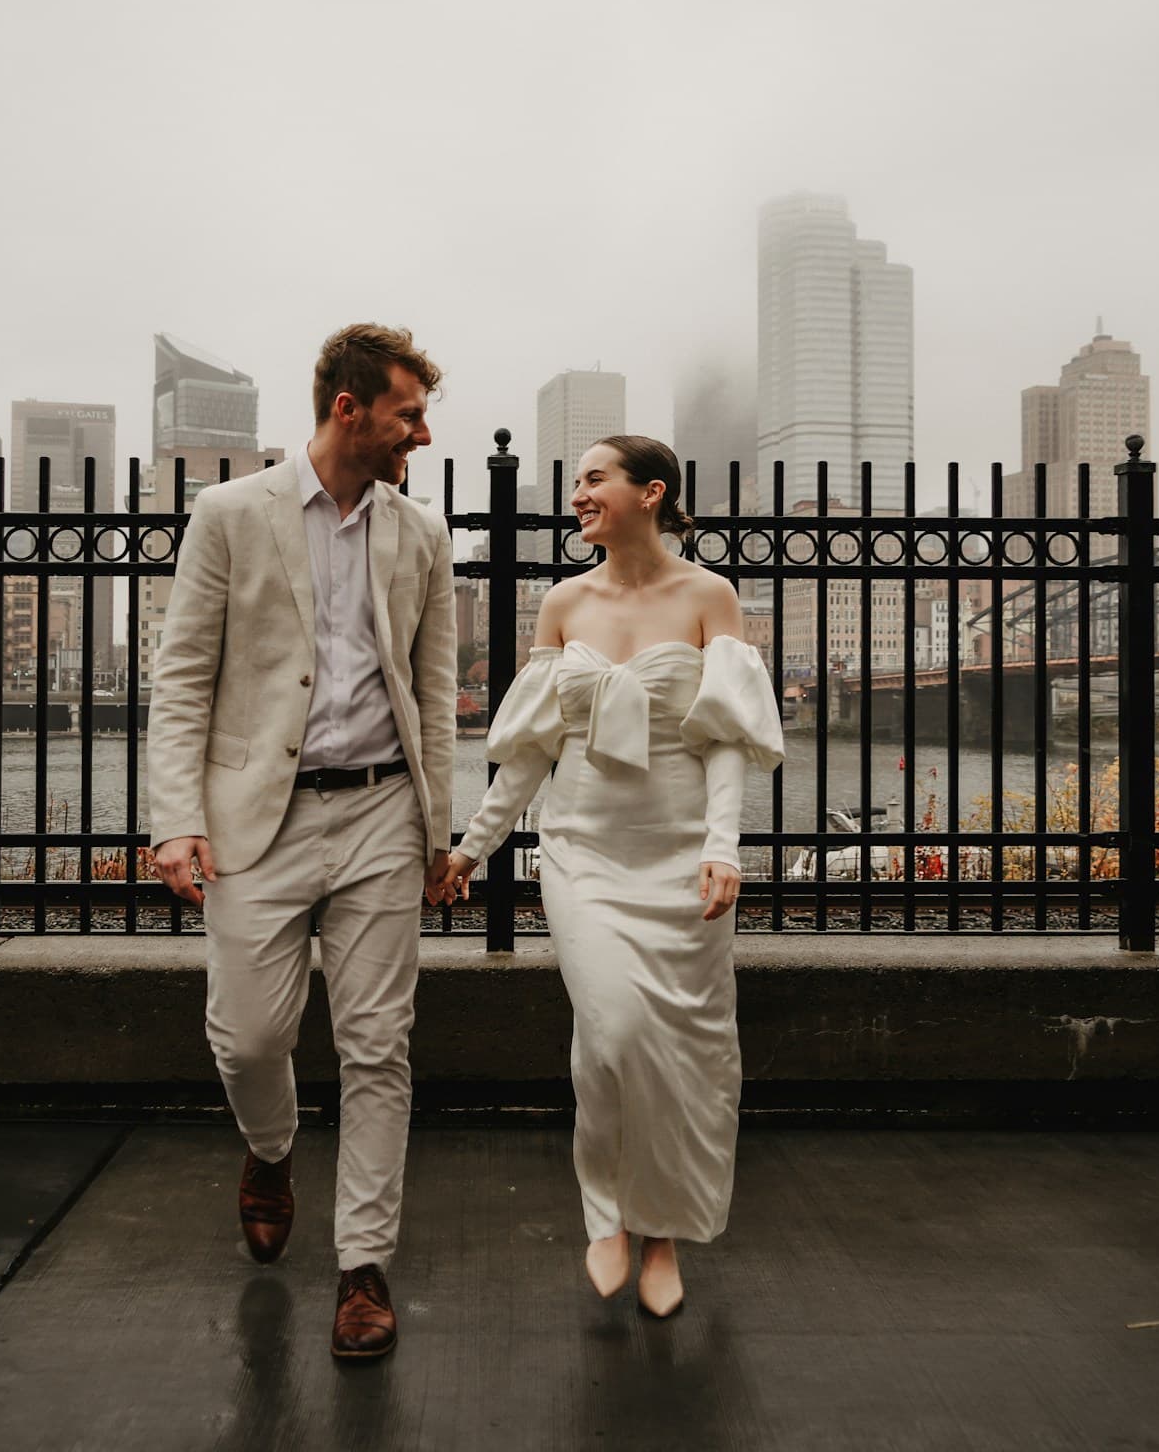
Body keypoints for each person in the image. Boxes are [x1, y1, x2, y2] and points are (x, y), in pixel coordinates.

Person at [147, 322, 457, 1363]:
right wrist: (176, 819)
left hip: (379, 812)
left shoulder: (422, 532)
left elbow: (433, 692)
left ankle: (363, 1268)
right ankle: (270, 1152)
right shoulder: (229, 513)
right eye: (408, 412)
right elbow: (184, 673)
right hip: (256, 820)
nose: (420, 431)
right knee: (248, 1037)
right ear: (348, 408)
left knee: (378, 1046)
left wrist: (435, 832)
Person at [438, 434, 783, 1319]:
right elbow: (527, 754)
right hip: (583, 851)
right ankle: (607, 1212)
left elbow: (728, 742)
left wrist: (721, 847)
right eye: (578, 482)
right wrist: (474, 847)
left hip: (679, 854)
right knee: (616, 1033)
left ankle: (662, 1233)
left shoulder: (711, 597)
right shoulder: (561, 603)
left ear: (651, 492)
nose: (579, 495)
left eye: (595, 480)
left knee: (685, 1049)